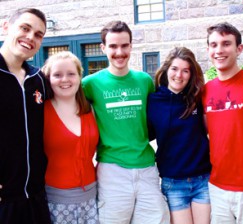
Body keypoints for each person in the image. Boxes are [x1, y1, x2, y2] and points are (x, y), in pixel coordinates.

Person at [82, 20, 170, 224]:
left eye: (124, 45)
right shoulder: (90, 84)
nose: (119, 52)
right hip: (112, 168)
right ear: (103, 48)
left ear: (131, 46)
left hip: (147, 166)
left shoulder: (144, 81)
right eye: (113, 46)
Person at [201, 22, 243, 223]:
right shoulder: (205, 90)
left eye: (226, 43)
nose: (219, 50)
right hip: (218, 185)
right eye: (213, 45)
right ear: (208, 50)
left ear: (239, 49)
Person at [147, 47, 211, 224]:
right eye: (175, 69)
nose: (179, 75)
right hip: (173, 182)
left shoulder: (197, 98)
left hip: (202, 179)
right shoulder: (153, 101)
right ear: (167, 70)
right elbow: (144, 134)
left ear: (191, 74)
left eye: (185, 71)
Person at [0, 8, 51, 224]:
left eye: (38, 34)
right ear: (6, 27)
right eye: (25, 28)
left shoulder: (38, 79)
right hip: (4, 201)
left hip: (36, 197)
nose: (30, 37)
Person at [42, 51, 100, 224]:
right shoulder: (39, 112)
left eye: (71, 74)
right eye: (57, 75)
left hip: (91, 196)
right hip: (55, 200)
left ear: (80, 77)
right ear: (48, 78)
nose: (65, 79)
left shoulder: (91, 110)